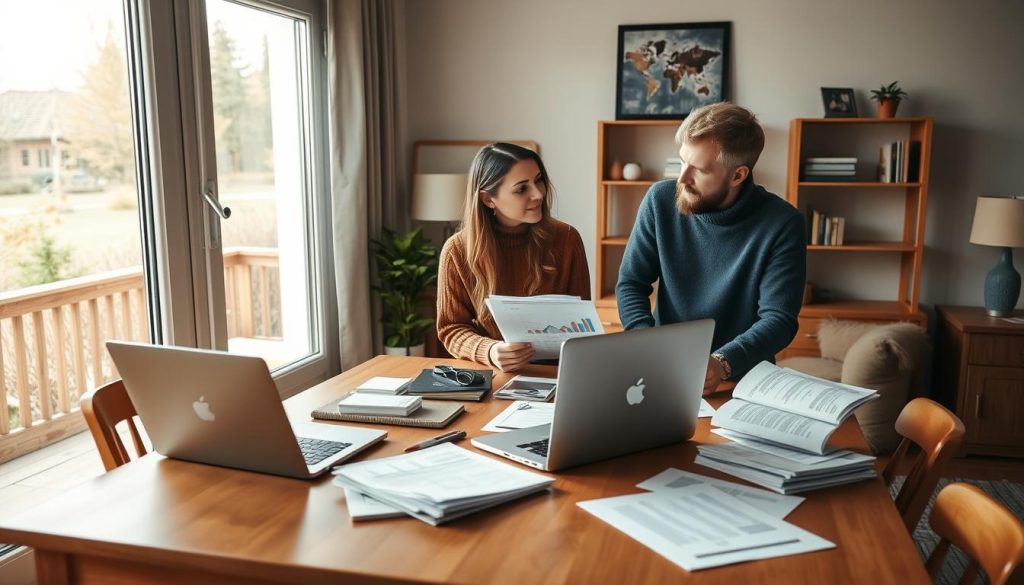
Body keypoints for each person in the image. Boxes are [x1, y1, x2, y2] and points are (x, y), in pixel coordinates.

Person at [615, 102, 806, 395]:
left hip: (741, 380)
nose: (682, 178)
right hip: (663, 370)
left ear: (737, 175)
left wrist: (721, 363)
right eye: (682, 161)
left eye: (699, 170)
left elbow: (778, 319)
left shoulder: (783, 224)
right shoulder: (660, 200)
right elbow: (631, 283)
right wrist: (647, 345)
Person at [436, 143, 591, 372]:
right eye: (521, 189)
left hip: (560, 373)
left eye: (538, 180)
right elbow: (451, 328)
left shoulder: (567, 239)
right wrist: (488, 350)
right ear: (488, 199)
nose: (538, 194)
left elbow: (583, 325)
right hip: (496, 374)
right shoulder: (457, 251)